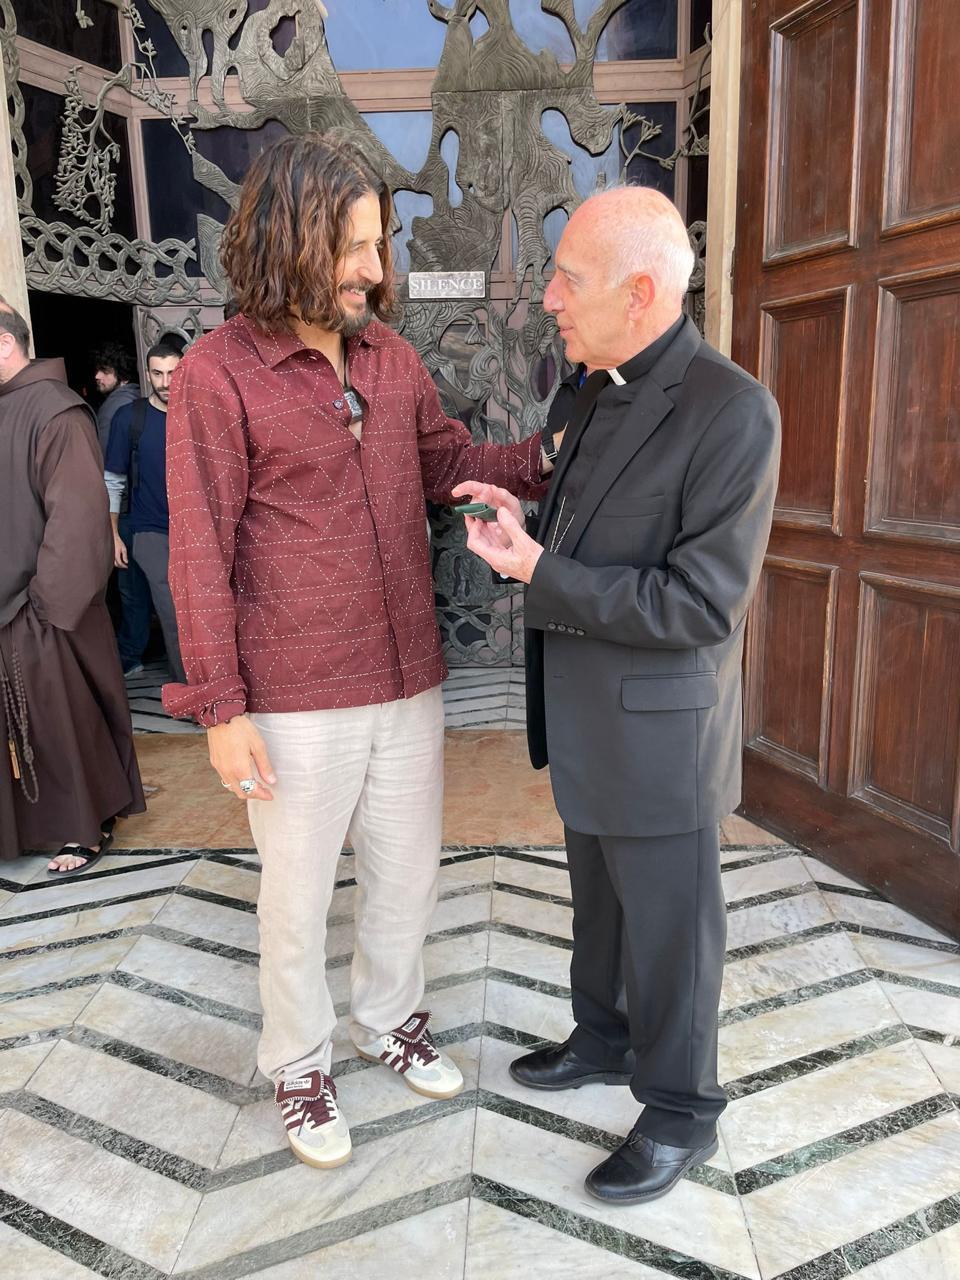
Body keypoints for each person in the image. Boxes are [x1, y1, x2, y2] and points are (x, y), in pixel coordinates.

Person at [162, 132, 559, 1171]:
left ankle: (389, 1019)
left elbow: (449, 463)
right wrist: (220, 709)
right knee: (294, 900)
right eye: (352, 247)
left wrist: (552, 455)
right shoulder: (216, 374)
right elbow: (198, 548)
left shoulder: (391, 357)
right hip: (292, 696)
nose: (374, 269)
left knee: (407, 875)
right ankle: (297, 1062)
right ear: (288, 237)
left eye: (378, 244)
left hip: (407, 676)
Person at [457, 186, 781, 1205]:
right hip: (588, 717)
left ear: (639, 292)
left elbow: (700, 602)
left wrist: (537, 572)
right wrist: (525, 525)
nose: (549, 297)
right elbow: (584, 528)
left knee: (673, 934)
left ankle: (682, 1112)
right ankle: (601, 1037)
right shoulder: (590, 391)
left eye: (569, 279)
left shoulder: (732, 411)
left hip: (662, 736)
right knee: (598, 905)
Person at [0, 298, 145, 871]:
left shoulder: (57, 411)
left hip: (43, 610)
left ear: (4, 343)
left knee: (65, 720)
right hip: (11, 605)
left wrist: (45, 608)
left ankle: (85, 827)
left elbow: (78, 518)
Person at [103, 341, 186, 685]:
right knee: (173, 612)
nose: (166, 382)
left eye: (173, 373)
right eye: (158, 373)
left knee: (207, 609)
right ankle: (189, 690)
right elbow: (113, 481)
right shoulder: (130, 418)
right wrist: (113, 535)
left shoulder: (199, 412)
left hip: (198, 529)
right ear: (147, 374)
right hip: (151, 530)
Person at [93, 342, 151, 677]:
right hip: (143, 508)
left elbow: (106, 467)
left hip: (126, 510)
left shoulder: (114, 408)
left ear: (120, 374)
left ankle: (130, 655)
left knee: (131, 588)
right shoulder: (140, 402)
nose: (97, 376)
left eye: (104, 370)